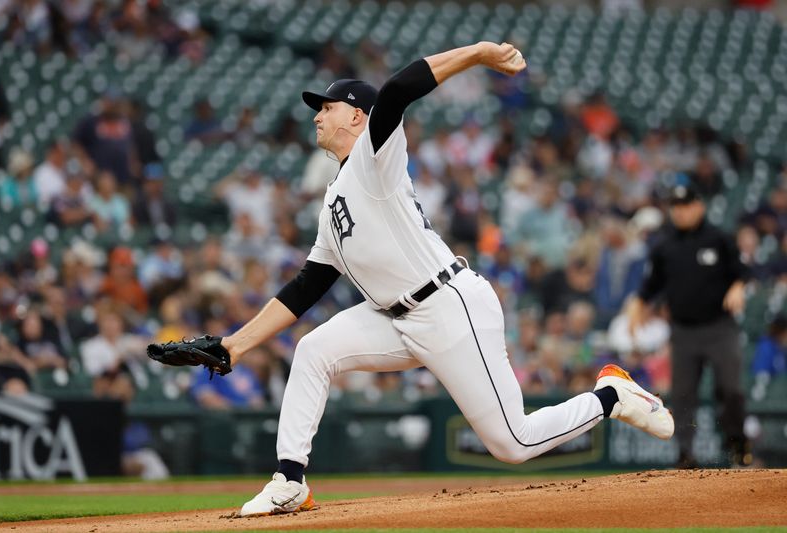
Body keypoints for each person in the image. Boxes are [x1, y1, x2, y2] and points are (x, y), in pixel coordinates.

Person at [212, 42, 672, 517]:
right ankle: (289, 481)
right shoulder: (333, 201)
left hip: (449, 306)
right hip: (394, 318)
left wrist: (478, 53)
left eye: (326, 108)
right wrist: (235, 345)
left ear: (355, 116)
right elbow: (306, 286)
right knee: (313, 351)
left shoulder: (374, 158)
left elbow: (395, 91)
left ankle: (612, 395)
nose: (316, 117)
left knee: (514, 442)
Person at [628, 180, 751, 469]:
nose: (680, 212)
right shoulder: (664, 246)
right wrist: (638, 304)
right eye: (676, 207)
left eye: (685, 206)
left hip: (719, 328)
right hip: (683, 331)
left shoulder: (718, 238)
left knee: (730, 389)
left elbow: (743, 270)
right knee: (683, 396)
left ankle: (736, 446)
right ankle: (685, 453)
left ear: (699, 206)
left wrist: (738, 285)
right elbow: (651, 285)